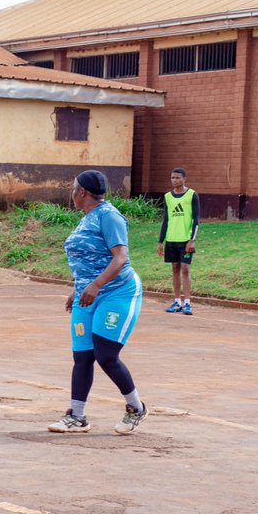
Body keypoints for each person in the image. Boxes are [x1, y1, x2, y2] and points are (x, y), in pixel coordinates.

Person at [49, 169, 147, 435]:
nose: (71, 193)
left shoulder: (109, 216)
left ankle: (136, 407)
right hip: (88, 294)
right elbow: (88, 260)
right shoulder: (87, 217)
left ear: (81, 192)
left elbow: (120, 258)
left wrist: (95, 285)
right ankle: (77, 416)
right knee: (82, 356)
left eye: (73, 188)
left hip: (117, 292)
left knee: (106, 355)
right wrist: (78, 288)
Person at [157, 167, 199, 315]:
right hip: (171, 240)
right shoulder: (168, 197)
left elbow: (196, 220)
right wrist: (160, 241)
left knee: (185, 270)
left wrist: (192, 240)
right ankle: (177, 301)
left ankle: (188, 302)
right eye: (172, 177)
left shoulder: (192, 195)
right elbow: (166, 220)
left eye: (177, 178)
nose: (174, 180)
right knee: (175, 269)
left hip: (185, 241)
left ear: (184, 179)